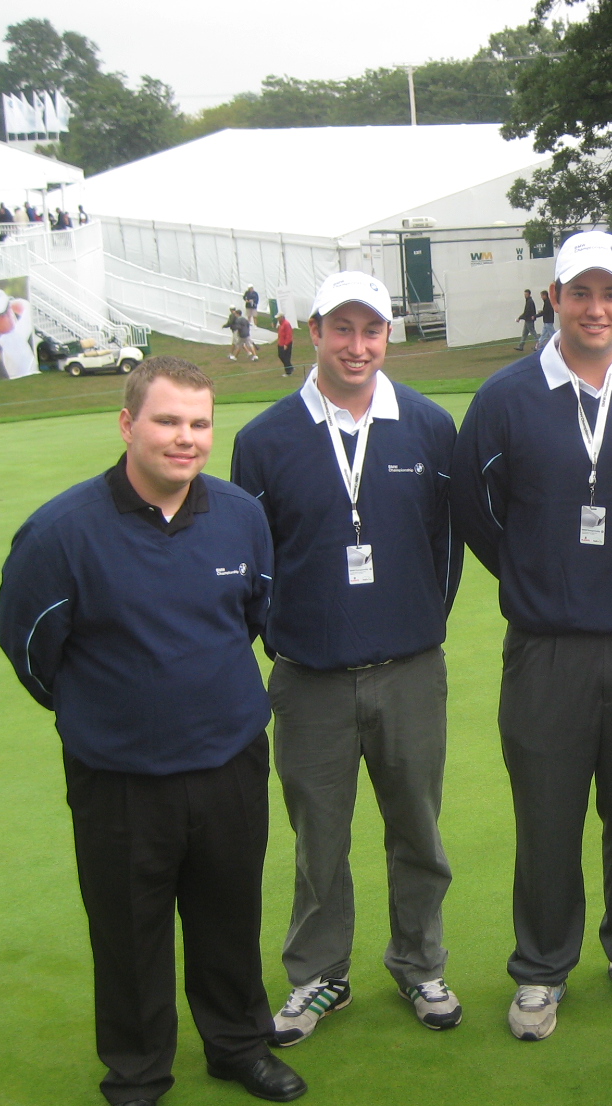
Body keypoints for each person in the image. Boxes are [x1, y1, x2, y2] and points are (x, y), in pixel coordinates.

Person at [0, 357, 307, 1106]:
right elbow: (31, 651)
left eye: (199, 423)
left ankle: (237, 1045)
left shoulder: (240, 516)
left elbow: (252, 614)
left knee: (229, 916)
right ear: (128, 424)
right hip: (120, 780)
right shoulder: (61, 532)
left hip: (229, 762)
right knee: (128, 934)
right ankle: (135, 1081)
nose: (185, 438)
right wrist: (111, 714)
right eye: (167, 420)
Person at [452, 231, 612, 1041]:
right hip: (547, 648)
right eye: (579, 293)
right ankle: (541, 967)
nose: (595, 309)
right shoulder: (505, 397)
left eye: (610, 294)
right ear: (554, 298)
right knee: (547, 817)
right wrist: (537, 573)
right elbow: (476, 512)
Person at [229, 272, 465, 1045]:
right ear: (314, 332)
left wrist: (414, 623)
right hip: (310, 679)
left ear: (387, 336)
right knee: (319, 840)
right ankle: (319, 976)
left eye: (371, 330)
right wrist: (291, 635)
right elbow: (254, 560)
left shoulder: (429, 426)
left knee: (418, 831)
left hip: (410, 671)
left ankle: (420, 963)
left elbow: (446, 547)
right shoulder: (263, 440)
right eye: (342, 329)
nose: (356, 346)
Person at [0, 288, 38, 379]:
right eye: (7, 310)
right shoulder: (13, 338)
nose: (10, 313)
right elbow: (29, 309)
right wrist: (14, 303)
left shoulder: (8, 340)